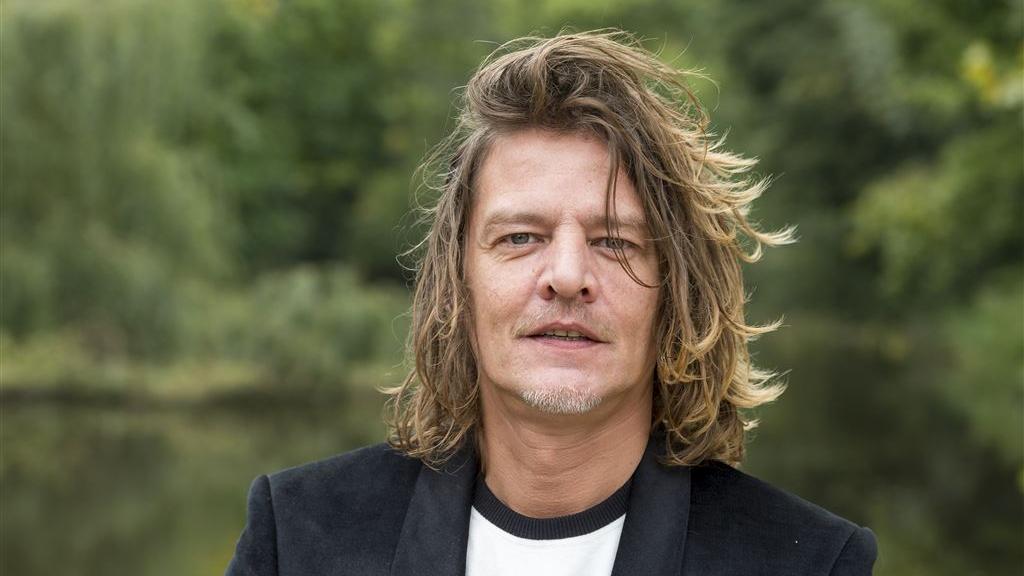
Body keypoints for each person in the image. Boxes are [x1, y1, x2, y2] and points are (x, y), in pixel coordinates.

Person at [226, 30, 877, 576]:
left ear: (675, 294)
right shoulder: (298, 536)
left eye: (614, 242)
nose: (567, 276)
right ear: (458, 281)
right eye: (520, 237)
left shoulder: (810, 563)